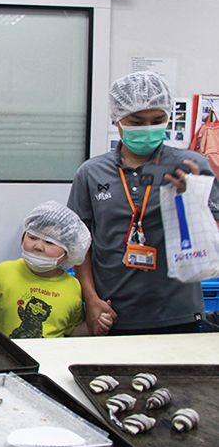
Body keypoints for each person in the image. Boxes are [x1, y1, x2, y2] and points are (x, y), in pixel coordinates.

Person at [68, 71, 219, 335]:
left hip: (179, 310)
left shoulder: (192, 167)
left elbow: (212, 236)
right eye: (137, 121)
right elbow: (80, 245)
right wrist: (91, 300)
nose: (148, 128)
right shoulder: (91, 173)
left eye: (157, 120)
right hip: (112, 311)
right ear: (117, 120)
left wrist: (193, 197)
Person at [0, 201, 113, 338]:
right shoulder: (1, 273)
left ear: (69, 251)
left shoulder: (74, 287)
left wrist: (94, 326)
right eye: (32, 237)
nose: (38, 246)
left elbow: (71, 332)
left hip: (51, 358)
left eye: (50, 242)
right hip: (6, 357)